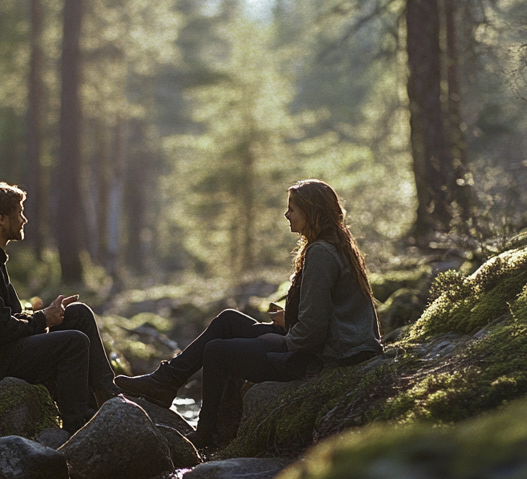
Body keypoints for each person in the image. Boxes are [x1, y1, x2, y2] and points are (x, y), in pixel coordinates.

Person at [115, 179, 382, 448]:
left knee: (218, 351)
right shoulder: (331, 245)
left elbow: (313, 330)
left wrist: (282, 338)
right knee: (228, 320)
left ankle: (206, 433)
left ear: (312, 212)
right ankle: (166, 381)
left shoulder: (322, 253)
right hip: (327, 343)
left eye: (292, 209)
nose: (286, 215)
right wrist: (287, 322)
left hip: (324, 355)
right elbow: (326, 314)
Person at [0, 181, 118, 433]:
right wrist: (43, 319)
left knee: (79, 315)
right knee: (74, 342)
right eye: (19, 213)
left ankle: (110, 396)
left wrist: (45, 316)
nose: (24, 220)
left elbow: (9, 316)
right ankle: (76, 428)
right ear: (1, 219)